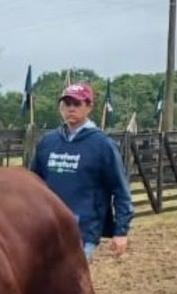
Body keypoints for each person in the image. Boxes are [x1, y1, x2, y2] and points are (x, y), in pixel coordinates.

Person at [29, 82, 134, 261]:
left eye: (76, 104)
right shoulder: (48, 142)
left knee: (68, 279)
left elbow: (120, 189)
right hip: (47, 226)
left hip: (83, 229)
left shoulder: (102, 145)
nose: (71, 109)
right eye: (66, 104)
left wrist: (121, 231)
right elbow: (32, 183)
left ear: (89, 107)